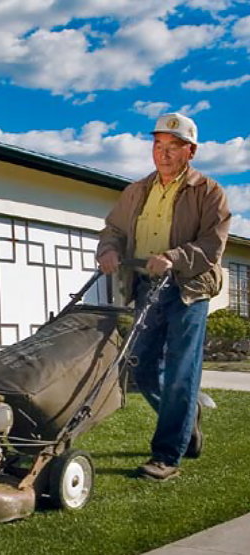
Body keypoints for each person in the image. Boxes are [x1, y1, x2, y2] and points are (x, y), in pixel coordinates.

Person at [96, 112, 230, 481]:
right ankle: (188, 418)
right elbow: (114, 229)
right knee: (139, 367)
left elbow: (211, 244)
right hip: (146, 287)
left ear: (191, 151)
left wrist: (172, 258)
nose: (164, 153)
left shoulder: (209, 192)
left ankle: (167, 455)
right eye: (158, 145)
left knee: (180, 373)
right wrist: (108, 249)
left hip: (188, 289)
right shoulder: (137, 190)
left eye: (174, 147)